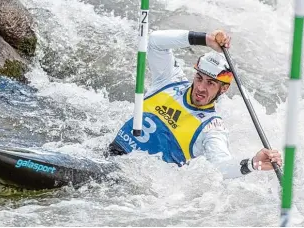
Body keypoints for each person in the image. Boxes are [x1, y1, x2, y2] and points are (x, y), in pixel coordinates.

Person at [107, 29, 282, 179]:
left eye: (210, 83)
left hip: (130, 178)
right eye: (199, 78)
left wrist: (252, 163)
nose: (200, 88)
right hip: (110, 154)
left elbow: (221, 168)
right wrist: (205, 39)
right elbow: (154, 41)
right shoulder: (168, 81)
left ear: (223, 89)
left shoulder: (211, 128)